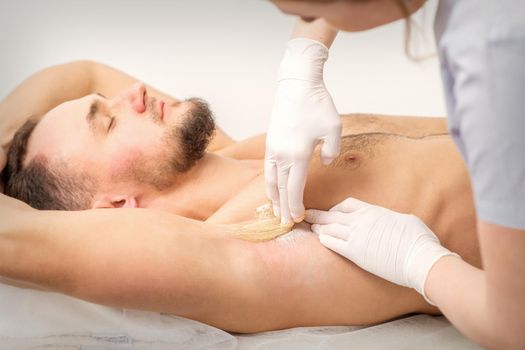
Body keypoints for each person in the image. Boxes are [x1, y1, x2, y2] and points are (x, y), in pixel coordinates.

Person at [0, 61, 480, 332]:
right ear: (117, 208)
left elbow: (80, 75)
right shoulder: (230, 249)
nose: (135, 92)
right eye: (108, 121)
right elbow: (15, 241)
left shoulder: (243, 154)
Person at [265, 0, 525, 348]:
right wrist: (301, 58)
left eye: (313, 14)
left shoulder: (495, 53)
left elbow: (514, 325)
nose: (309, 22)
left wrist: (421, 263)